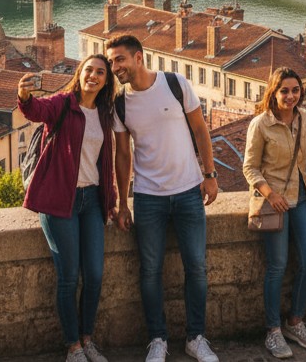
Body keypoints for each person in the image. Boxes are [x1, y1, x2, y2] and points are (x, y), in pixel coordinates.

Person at [106, 34, 220, 362]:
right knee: (150, 270)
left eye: (120, 60)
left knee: (196, 267)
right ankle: (157, 339)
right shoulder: (121, 103)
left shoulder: (175, 83)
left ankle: (196, 338)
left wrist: (210, 175)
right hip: (147, 196)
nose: (115, 67)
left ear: (138, 57)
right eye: (112, 61)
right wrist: (123, 201)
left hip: (187, 190)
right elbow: (123, 155)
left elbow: (200, 130)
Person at [18, 56, 118, 362]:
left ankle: (88, 338)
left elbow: (105, 161)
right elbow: (35, 110)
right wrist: (23, 95)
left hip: (91, 202)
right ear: (80, 73)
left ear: (106, 80)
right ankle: (72, 346)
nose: (94, 76)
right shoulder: (63, 104)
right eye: (89, 70)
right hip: (60, 201)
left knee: (96, 274)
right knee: (68, 277)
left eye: (101, 72)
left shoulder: (104, 112)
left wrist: (111, 199)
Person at [242, 68, 306, 359]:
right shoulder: (261, 124)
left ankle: (295, 321)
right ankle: (273, 330)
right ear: (274, 92)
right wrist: (270, 194)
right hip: (274, 201)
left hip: (302, 198)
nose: (290, 96)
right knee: (278, 265)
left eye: (295, 90)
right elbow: (249, 167)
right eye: (284, 91)